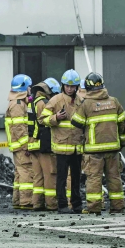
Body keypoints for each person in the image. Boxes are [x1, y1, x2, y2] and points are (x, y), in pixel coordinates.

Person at [72, 72, 125, 214]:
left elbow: (76, 122)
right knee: (114, 178)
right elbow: (123, 124)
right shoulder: (114, 101)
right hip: (113, 149)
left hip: (93, 151)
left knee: (94, 179)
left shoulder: (86, 104)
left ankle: (94, 208)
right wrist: (121, 142)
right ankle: (118, 207)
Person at [40, 69, 84, 214]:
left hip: (77, 147)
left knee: (77, 178)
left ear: (77, 87)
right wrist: (56, 118)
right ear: (63, 86)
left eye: (73, 86)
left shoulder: (80, 101)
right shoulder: (56, 100)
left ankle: (77, 205)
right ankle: (62, 205)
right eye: (67, 86)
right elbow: (42, 119)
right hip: (62, 146)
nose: (70, 89)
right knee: (61, 178)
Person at [28, 77, 60, 211]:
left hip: (33, 144)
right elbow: (44, 121)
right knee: (50, 175)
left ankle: (37, 203)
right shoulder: (43, 103)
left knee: (38, 176)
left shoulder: (33, 102)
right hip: (43, 144)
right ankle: (52, 204)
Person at [5, 74, 34, 210]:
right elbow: (19, 128)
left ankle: (18, 200)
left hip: (17, 145)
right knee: (26, 172)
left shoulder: (18, 103)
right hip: (21, 146)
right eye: (29, 87)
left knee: (20, 172)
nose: (30, 89)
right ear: (24, 88)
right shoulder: (18, 104)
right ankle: (26, 201)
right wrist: (26, 145)